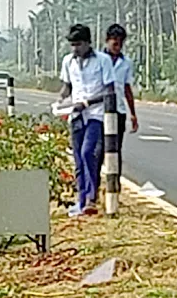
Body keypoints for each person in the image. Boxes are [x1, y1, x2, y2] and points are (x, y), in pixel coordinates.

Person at [59, 24, 115, 216]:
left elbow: (109, 91)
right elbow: (67, 86)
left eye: (79, 44)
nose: (75, 48)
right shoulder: (68, 61)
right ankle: (81, 200)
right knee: (77, 159)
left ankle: (91, 197)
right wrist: (60, 101)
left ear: (88, 43)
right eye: (72, 45)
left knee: (88, 152)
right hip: (75, 114)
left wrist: (88, 102)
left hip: (96, 114)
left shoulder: (103, 61)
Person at [101, 24, 139, 183]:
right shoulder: (98, 60)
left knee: (116, 149)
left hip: (119, 110)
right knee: (100, 149)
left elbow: (127, 88)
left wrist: (133, 114)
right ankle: (97, 185)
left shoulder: (126, 63)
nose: (117, 47)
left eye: (120, 43)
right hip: (100, 110)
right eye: (114, 43)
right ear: (107, 41)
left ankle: (114, 184)